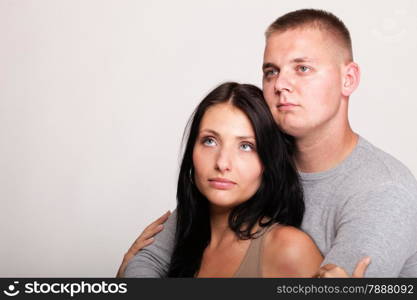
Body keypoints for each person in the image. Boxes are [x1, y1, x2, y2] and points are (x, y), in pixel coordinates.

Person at [122, 9, 417, 278]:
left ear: (348, 79)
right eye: (271, 71)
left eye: (302, 68)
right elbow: (150, 260)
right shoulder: (253, 162)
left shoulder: (383, 191)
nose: (280, 84)